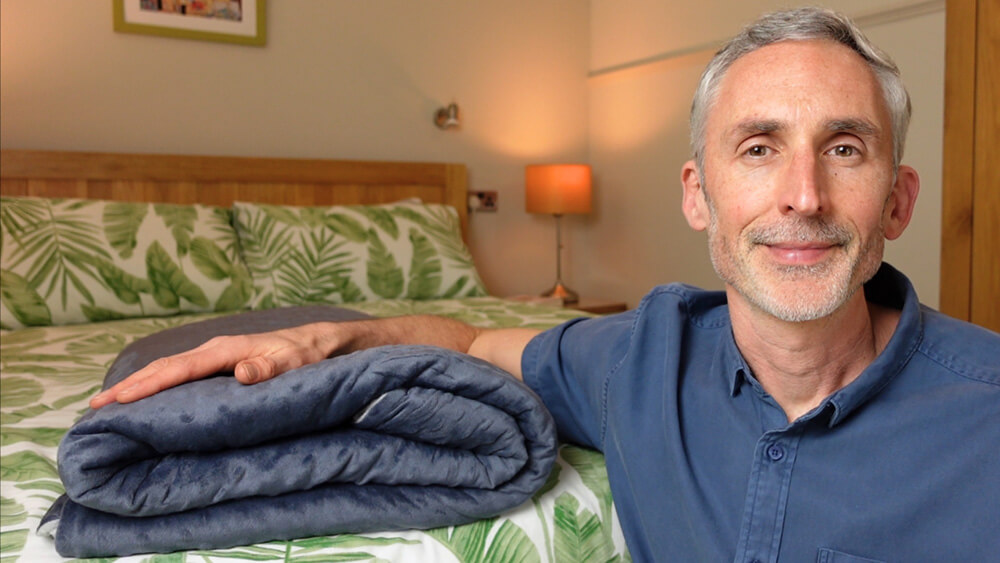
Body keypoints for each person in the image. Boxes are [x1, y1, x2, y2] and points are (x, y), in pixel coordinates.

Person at [90, 7, 1000, 562]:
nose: (802, 196)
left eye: (844, 149)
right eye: (758, 149)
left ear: (897, 199)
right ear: (699, 195)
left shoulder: (985, 416)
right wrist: (325, 338)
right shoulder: (642, 355)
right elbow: (475, 343)